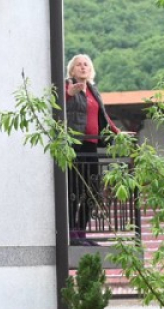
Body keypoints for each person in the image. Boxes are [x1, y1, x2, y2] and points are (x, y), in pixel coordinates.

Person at [65, 54, 119, 246]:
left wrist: (117, 132)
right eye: (78, 65)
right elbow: (58, 103)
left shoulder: (94, 91)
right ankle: (71, 234)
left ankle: (81, 232)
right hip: (75, 144)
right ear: (72, 70)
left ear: (91, 69)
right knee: (73, 190)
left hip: (91, 145)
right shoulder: (67, 86)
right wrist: (70, 93)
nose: (82, 67)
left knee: (93, 191)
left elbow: (104, 116)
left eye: (86, 64)